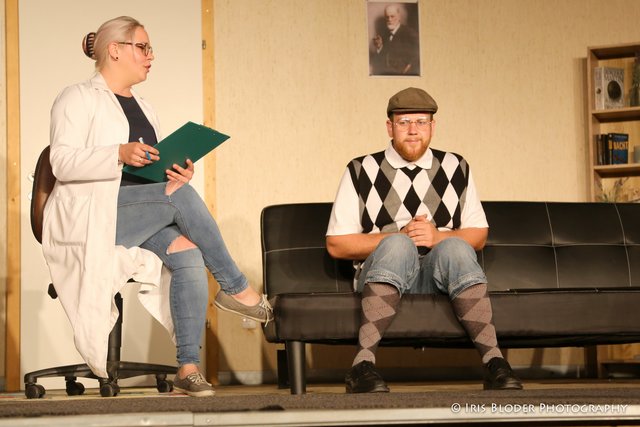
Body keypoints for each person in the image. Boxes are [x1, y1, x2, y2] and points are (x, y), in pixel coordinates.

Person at [43, 16, 272, 398]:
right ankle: (237, 289)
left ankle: (188, 367)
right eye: (143, 47)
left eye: (151, 49)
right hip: (92, 215)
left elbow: (150, 173)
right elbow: (61, 162)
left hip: (138, 211)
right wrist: (118, 153)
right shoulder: (77, 97)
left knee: (188, 251)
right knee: (176, 198)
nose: (151, 56)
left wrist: (177, 171)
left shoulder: (145, 108)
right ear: (115, 50)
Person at [325, 87, 522, 393]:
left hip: (439, 276)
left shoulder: (456, 166)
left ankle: (495, 363)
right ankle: (361, 366)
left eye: (421, 122)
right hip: (382, 273)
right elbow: (336, 244)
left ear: (433, 126)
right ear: (390, 127)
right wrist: (398, 237)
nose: (413, 130)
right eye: (404, 122)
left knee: (455, 246)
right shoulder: (360, 169)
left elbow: (478, 234)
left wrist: (438, 236)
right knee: (398, 245)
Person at [370, 4, 420, 76]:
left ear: (399, 17)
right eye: (387, 17)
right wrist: (379, 48)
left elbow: (417, 56)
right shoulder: (385, 35)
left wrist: (406, 71)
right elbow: (382, 60)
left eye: (392, 16)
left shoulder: (408, 33)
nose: (389, 20)